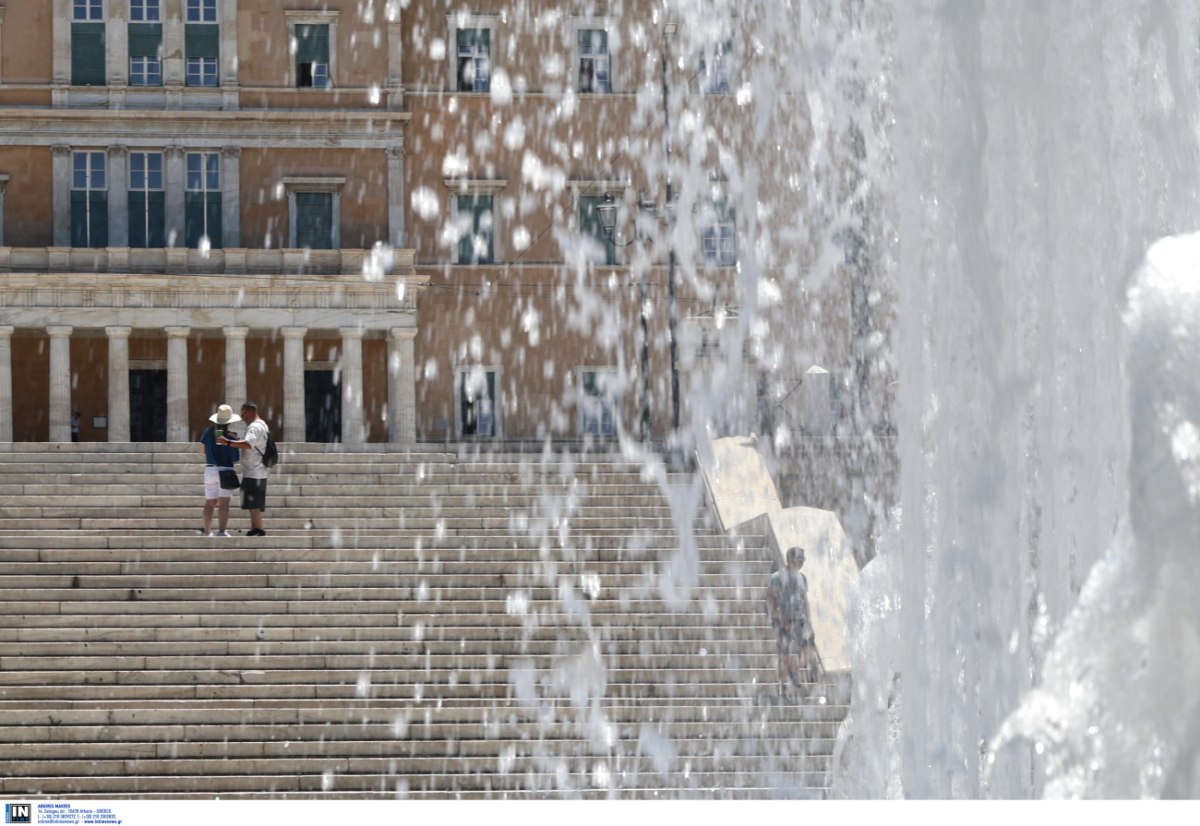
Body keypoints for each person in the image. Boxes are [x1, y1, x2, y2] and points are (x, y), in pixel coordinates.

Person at [766, 546, 818, 694]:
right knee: (785, 654)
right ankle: (782, 685)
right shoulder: (777, 577)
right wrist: (780, 617)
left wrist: (809, 620)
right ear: (790, 560)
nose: (802, 562)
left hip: (799, 619)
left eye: (803, 559)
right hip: (783, 621)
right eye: (799, 559)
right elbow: (771, 598)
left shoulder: (803, 578)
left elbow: (805, 600)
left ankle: (795, 669)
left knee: (809, 647)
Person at [219, 402, 270, 537]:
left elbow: (248, 444)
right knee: (254, 503)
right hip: (259, 469)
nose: (242, 417)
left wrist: (229, 442)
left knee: (253, 503)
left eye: (243, 414)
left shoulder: (254, 427)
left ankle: (257, 529)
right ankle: (255, 529)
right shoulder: (263, 425)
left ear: (249, 412)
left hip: (253, 470)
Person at [198, 404, 241, 537]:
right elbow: (235, 458)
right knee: (224, 504)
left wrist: (213, 455)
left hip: (210, 469)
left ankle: (207, 531)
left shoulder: (208, 433)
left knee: (209, 503)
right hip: (226, 471)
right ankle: (222, 531)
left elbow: (202, 450)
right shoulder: (231, 438)